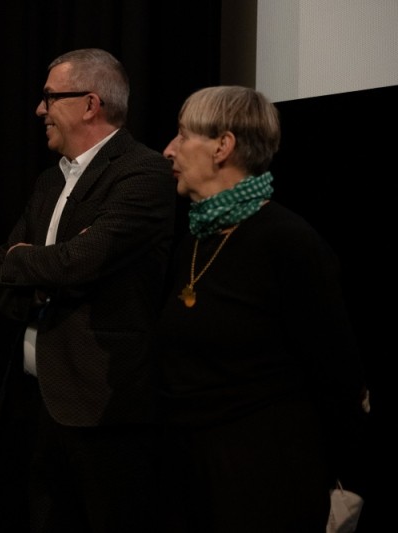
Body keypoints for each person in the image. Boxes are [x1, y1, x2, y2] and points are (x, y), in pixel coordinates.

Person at [156, 85, 369, 533]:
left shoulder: (289, 242)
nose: (168, 150)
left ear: (223, 146)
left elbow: (338, 376)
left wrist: (347, 482)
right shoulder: (195, 239)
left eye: (181, 135)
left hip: (266, 478)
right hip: (192, 471)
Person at [0, 48, 176, 532]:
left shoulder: (142, 172)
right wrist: (38, 270)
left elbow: (80, 262)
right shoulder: (50, 180)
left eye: (50, 97)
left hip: (101, 410)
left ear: (90, 104)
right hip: (35, 401)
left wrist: (25, 261)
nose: (39, 110)